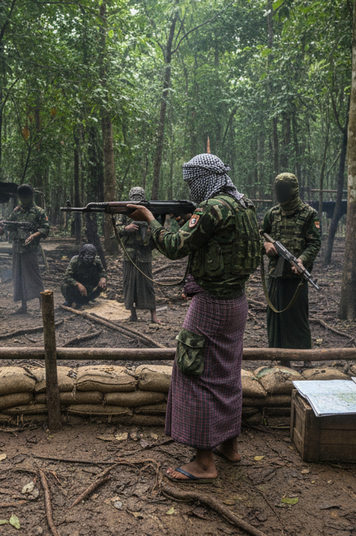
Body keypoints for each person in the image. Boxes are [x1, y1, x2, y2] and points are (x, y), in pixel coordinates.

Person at [128, 153, 262, 483]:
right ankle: (229, 446)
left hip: (211, 304)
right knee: (227, 374)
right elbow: (219, 242)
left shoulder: (212, 208)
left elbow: (174, 247)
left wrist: (149, 218)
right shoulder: (242, 203)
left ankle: (204, 463)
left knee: (194, 371)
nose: (191, 189)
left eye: (192, 183)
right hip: (236, 302)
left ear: (204, 179)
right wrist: (188, 218)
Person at [261, 173, 320, 366]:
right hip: (275, 276)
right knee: (276, 320)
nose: (280, 193)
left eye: (284, 189)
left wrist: (302, 260)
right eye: (278, 189)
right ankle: (280, 360)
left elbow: (314, 243)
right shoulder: (272, 214)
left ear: (294, 190)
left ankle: (305, 360)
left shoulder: (309, 214)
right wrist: (265, 245)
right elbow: (260, 234)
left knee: (298, 320)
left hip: (296, 278)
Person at [117, 186, 159, 323]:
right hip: (129, 254)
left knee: (147, 284)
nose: (136, 198)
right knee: (129, 284)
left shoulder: (148, 211)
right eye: (134, 196)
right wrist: (126, 228)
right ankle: (133, 314)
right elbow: (115, 229)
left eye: (139, 196)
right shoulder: (123, 212)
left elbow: (158, 226)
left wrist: (151, 230)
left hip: (144, 253)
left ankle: (154, 316)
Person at [6, 184, 49, 314]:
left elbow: (45, 228)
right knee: (18, 277)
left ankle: (43, 305)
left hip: (30, 249)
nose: (23, 200)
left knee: (34, 277)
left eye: (25, 197)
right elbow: (8, 225)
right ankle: (23, 306)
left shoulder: (39, 211)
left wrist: (34, 235)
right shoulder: (17, 211)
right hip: (17, 248)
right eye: (22, 197)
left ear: (31, 196)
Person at [61, 243, 107, 308]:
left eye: (91, 258)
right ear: (81, 255)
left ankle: (87, 299)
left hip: (89, 286)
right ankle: (71, 301)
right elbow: (67, 276)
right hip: (76, 288)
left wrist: (103, 278)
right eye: (87, 258)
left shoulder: (97, 261)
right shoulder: (75, 260)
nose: (89, 260)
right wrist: (78, 284)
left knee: (103, 284)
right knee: (65, 285)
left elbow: (102, 272)